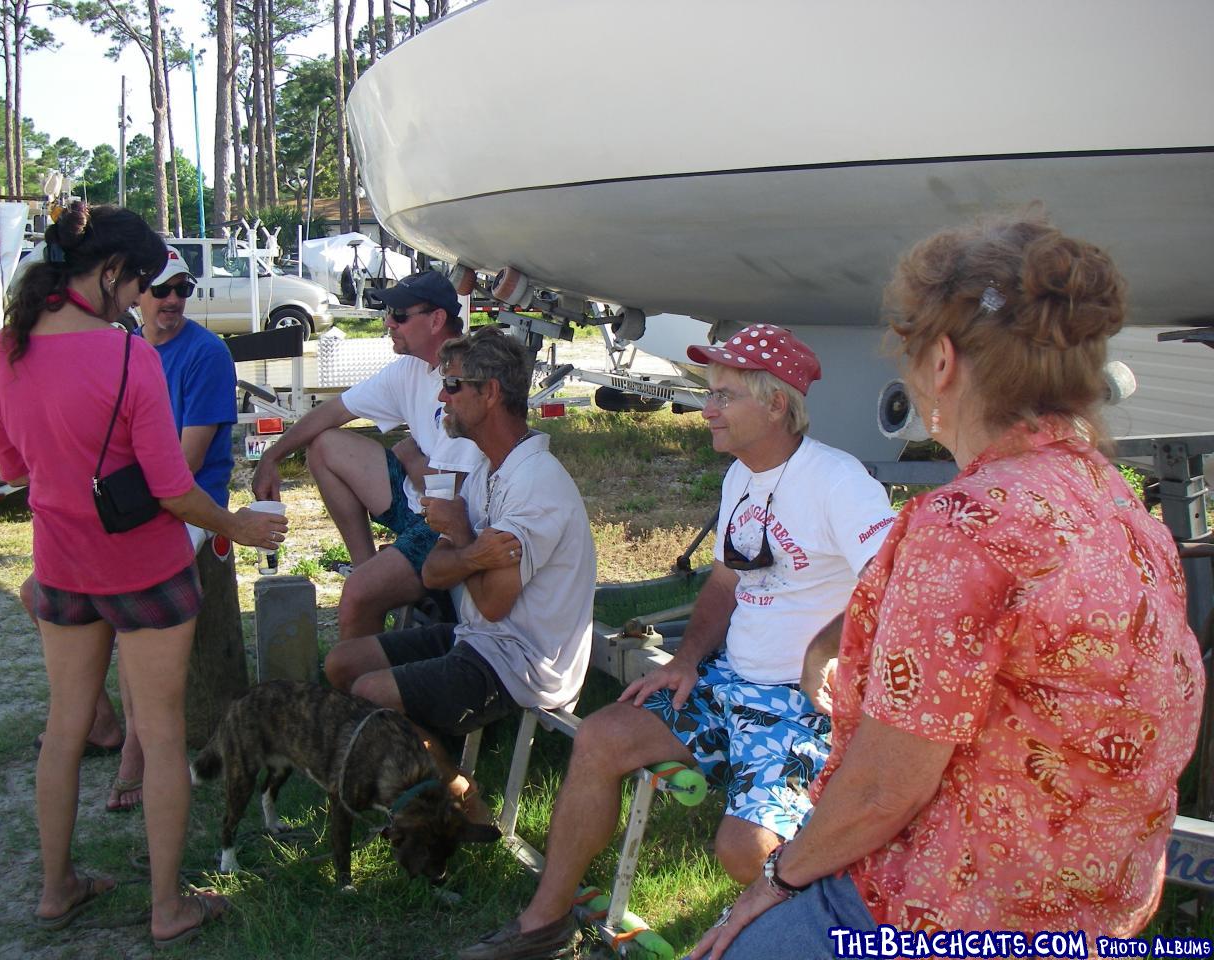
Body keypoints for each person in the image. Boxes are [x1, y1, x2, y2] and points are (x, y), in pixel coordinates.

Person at [687, 215, 1205, 960]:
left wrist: (779, 879)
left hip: (953, 910)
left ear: (942, 361)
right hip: (1101, 911)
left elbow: (882, 790)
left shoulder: (965, 526)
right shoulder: (1122, 508)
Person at [459, 325, 896, 960]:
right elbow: (724, 579)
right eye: (708, 393)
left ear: (776, 404)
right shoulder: (741, 476)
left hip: (800, 708)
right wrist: (686, 660)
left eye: (723, 396)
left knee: (744, 854)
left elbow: (894, 582)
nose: (707, 408)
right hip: (728, 686)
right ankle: (544, 923)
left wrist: (823, 649)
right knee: (604, 734)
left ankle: (823, 930)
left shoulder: (837, 479)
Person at [0, 202, 286, 946]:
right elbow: (171, 487)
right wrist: (237, 527)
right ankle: (167, 907)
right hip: (145, 571)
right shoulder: (128, 358)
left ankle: (58, 890)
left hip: (60, 565)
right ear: (110, 273)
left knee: (64, 730)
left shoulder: (2, 352)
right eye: (139, 283)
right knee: (160, 731)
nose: (142, 299)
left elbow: (15, 470)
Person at [323, 325, 596, 821]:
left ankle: (457, 797)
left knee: (367, 691)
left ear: (489, 393)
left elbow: (493, 601)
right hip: (483, 637)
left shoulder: (535, 485)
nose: (440, 397)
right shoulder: (491, 468)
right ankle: (417, 781)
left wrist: (464, 544)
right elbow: (433, 570)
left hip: (523, 661)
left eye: (451, 386)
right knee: (343, 663)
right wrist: (470, 551)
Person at [24, 245, 240, 814]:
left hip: (183, 504)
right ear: (136, 293)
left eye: (183, 290)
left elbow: (186, 468)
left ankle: (132, 761)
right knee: (38, 595)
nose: (172, 301)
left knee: (127, 610)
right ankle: (97, 720)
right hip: (127, 505)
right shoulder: (119, 351)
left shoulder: (205, 353)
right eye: (161, 289)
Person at [251, 269, 484, 643]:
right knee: (324, 445)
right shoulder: (410, 368)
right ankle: (367, 566)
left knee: (357, 597)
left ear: (437, 320)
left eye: (400, 315)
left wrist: (410, 456)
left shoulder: (468, 375)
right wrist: (272, 457)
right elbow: (333, 412)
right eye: (387, 313)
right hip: (420, 502)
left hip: (449, 525)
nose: (388, 322)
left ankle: (364, 680)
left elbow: (446, 488)